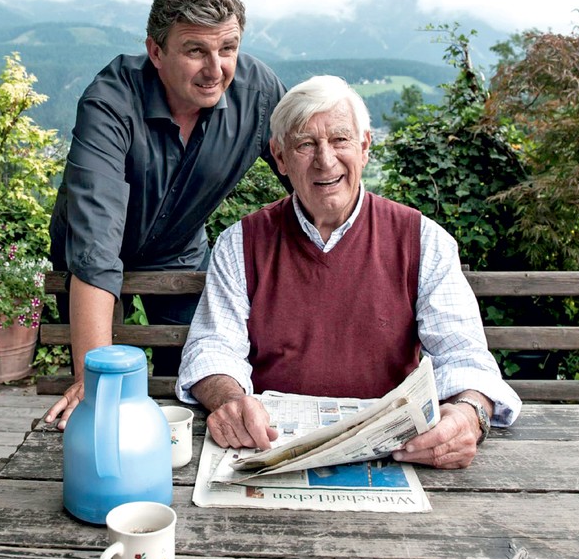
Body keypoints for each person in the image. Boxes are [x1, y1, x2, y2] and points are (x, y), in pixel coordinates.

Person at [176, 75, 521, 469]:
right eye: (306, 144)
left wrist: (468, 415)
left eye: (340, 140)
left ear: (365, 146)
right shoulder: (241, 243)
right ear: (280, 157)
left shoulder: (422, 240)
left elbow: (464, 356)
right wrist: (231, 401)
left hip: (395, 456)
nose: (326, 159)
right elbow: (212, 349)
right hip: (271, 451)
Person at [46, 0, 287, 429]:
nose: (216, 70)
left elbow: (311, 179)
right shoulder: (110, 102)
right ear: (156, 51)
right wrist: (91, 378)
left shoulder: (259, 95)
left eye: (228, 48)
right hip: (90, 262)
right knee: (101, 397)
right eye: (196, 50)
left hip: (180, 253)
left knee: (191, 386)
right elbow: (96, 249)